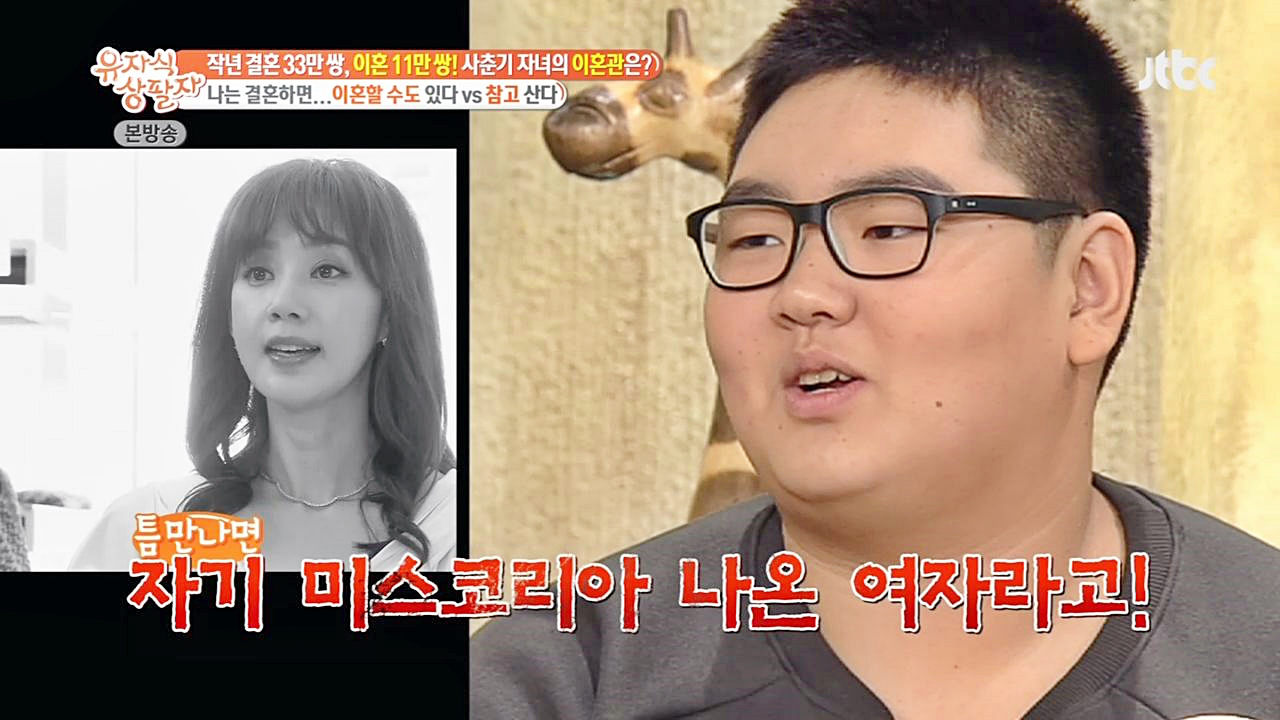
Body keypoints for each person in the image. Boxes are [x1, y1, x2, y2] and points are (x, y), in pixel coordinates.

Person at [470, 0, 1280, 717]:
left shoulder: (1255, 657)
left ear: (1087, 288)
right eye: (755, 239)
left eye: (889, 228)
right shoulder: (561, 683)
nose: (802, 292)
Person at [70, 158, 456, 572]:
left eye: (326, 270)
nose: (283, 303)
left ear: (389, 311)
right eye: (257, 272)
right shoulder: (142, 529)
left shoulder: (456, 524)